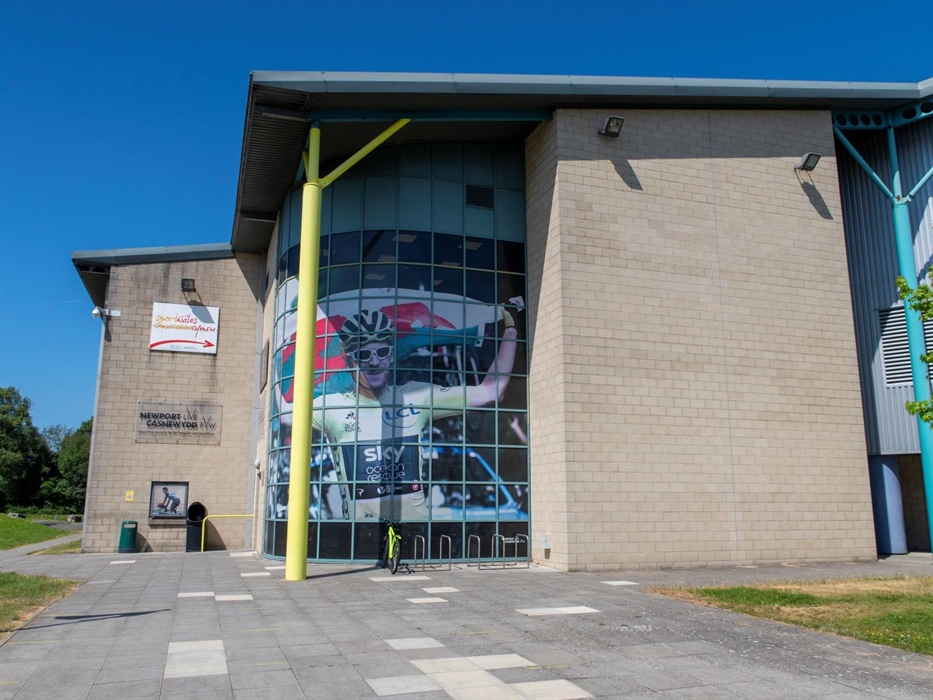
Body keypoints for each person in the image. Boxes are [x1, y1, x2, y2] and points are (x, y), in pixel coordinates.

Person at [312, 308, 518, 520]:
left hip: (413, 535)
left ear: (391, 356)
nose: (374, 362)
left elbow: (489, 391)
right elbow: (284, 415)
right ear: (348, 362)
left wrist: (510, 333)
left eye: (381, 353)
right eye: (364, 355)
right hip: (359, 538)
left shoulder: (417, 397)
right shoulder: (332, 407)